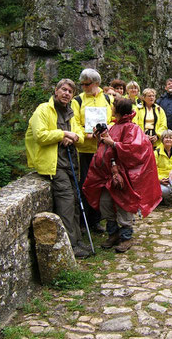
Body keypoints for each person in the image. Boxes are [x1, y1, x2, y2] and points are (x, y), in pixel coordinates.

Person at [82, 97, 162, 253]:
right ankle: (113, 234)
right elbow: (106, 148)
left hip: (122, 175)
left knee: (123, 204)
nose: (111, 108)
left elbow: (135, 149)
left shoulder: (132, 128)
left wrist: (114, 144)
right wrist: (101, 138)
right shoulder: (113, 126)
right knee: (106, 202)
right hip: (107, 174)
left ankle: (126, 237)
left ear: (118, 109)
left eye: (113, 106)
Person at [25, 79, 88, 258]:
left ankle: (78, 239)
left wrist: (73, 136)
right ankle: (70, 244)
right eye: (64, 90)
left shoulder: (70, 112)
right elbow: (40, 135)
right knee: (66, 200)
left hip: (70, 162)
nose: (67, 93)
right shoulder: (44, 109)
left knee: (76, 198)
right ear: (56, 90)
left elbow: (81, 135)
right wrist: (63, 134)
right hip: (54, 164)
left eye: (70, 91)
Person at [71, 68, 113, 234]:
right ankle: (83, 222)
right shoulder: (78, 101)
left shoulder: (107, 99)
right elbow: (74, 123)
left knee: (101, 185)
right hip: (85, 150)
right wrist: (85, 135)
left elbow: (113, 120)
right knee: (85, 186)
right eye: (81, 84)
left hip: (103, 149)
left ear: (96, 83)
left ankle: (96, 220)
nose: (83, 87)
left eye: (86, 84)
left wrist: (108, 129)